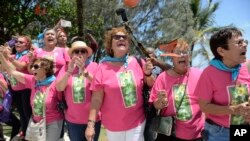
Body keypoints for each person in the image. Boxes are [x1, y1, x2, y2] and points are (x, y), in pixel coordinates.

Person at [85, 26, 155, 141]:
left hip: (137, 121)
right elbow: (96, 100)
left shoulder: (138, 62)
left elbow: (152, 85)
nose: (121, 39)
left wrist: (148, 74)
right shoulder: (102, 68)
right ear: (110, 45)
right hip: (113, 126)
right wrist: (90, 125)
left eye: (124, 37)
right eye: (117, 37)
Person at [194, 27, 250, 141]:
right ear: (221, 51)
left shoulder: (246, 67)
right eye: (239, 42)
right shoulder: (209, 73)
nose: (245, 45)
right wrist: (234, 109)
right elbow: (204, 107)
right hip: (219, 133)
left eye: (245, 41)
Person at [149, 39, 204, 141]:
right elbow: (155, 104)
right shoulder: (162, 77)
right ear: (172, 58)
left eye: (185, 52)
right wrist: (159, 103)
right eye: (178, 52)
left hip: (196, 135)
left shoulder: (199, 75)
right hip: (170, 134)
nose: (182, 55)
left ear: (189, 56)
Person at [0, 55, 64, 141]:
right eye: (32, 66)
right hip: (36, 122)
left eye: (36, 66)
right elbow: (12, 71)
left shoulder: (56, 84)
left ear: (46, 69)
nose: (32, 69)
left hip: (53, 122)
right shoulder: (33, 81)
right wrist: (1, 56)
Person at [56, 39, 101, 141]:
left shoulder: (94, 66)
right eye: (77, 51)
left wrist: (85, 72)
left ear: (87, 54)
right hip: (73, 121)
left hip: (93, 120)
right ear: (72, 55)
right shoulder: (66, 68)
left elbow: (100, 86)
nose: (80, 53)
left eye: (83, 51)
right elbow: (59, 87)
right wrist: (69, 72)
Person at [0, 35, 32, 138]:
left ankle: (30, 135)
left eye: (20, 42)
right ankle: (26, 133)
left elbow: (21, 66)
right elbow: (5, 68)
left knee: (27, 114)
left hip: (25, 90)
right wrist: (2, 55)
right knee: (22, 114)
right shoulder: (15, 55)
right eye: (16, 42)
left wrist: (8, 57)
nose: (17, 43)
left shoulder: (27, 55)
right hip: (15, 90)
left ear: (27, 45)